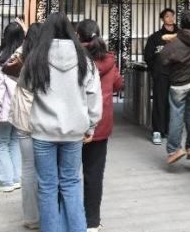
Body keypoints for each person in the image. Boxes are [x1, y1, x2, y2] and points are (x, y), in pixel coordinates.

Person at [20, 12, 102, 232]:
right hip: (74, 132)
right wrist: (91, 125)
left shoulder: (35, 59)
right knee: (72, 183)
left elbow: (24, 91)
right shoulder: (85, 60)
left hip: (42, 132)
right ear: (71, 31)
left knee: (47, 187)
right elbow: (93, 96)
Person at [78, 19, 123, 232]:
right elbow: (118, 84)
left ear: (78, 36)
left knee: (68, 176)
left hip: (73, 125)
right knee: (94, 174)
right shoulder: (109, 60)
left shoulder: (75, 58)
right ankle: (92, 222)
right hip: (100, 124)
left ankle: (69, 218)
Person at [160, 0, 190, 164]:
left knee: (176, 115)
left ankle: (174, 149)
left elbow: (163, 60)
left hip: (178, 84)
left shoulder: (174, 45)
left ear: (181, 24)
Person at [5, 22, 42, 230]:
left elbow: (7, 68)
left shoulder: (21, 57)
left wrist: (25, 41)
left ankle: (31, 218)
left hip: (24, 120)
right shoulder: (45, 60)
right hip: (44, 121)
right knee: (46, 169)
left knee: (28, 168)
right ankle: (47, 212)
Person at [0, 21, 26, 193]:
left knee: (1, 143)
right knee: (15, 142)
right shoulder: (25, 57)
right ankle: (17, 178)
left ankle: (5, 181)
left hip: (4, 108)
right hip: (20, 108)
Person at [143, 8, 178, 145]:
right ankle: (157, 130)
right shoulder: (155, 37)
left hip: (177, 75)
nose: (170, 18)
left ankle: (170, 129)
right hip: (161, 74)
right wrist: (155, 69)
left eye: (172, 16)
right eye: (167, 16)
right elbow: (148, 56)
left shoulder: (181, 35)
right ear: (162, 19)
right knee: (159, 101)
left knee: (174, 103)